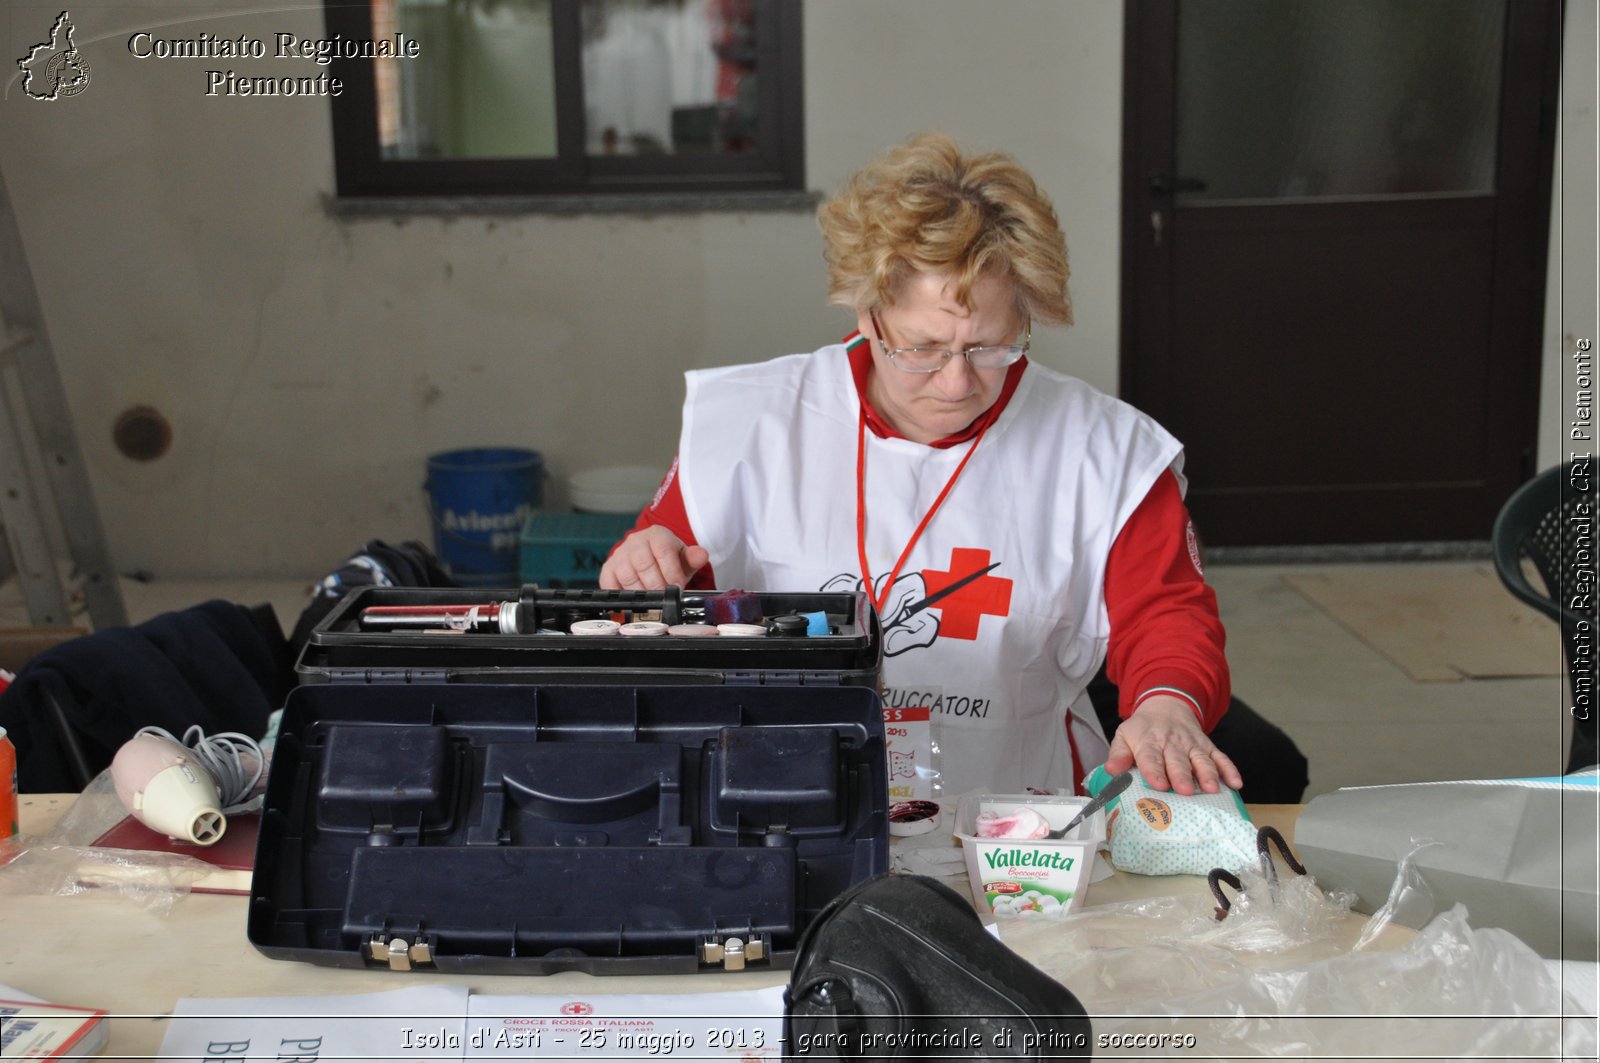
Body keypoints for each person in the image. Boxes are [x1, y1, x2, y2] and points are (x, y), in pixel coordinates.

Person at [601, 132, 1245, 800]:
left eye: (992, 348)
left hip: (1015, 815)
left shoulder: (1105, 451)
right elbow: (660, 585)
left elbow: (1168, 615)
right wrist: (644, 563)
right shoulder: (750, 421)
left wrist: (1168, 704)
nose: (957, 383)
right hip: (785, 796)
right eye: (923, 349)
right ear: (868, 314)